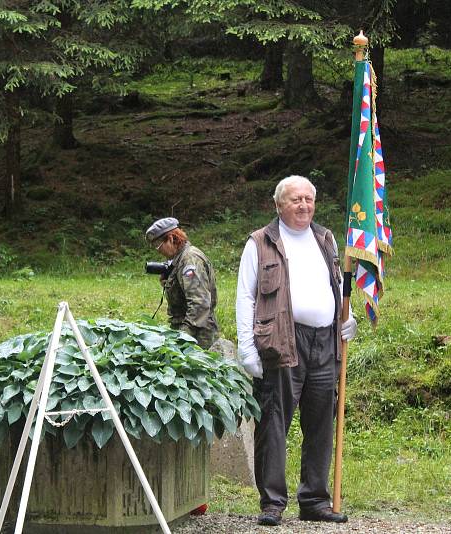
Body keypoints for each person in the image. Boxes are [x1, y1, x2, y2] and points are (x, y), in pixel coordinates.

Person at [235, 175, 357, 527]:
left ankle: (315, 500)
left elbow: (336, 286)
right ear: (279, 205)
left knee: (321, 423)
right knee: (273, 421)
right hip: (281, 342)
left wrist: (346, 322)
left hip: (325, 344)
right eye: (295, 200)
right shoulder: (259, 243)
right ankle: (272, 502)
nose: (303, 206)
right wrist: (247, 348)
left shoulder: (326, 239)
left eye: (308, 199)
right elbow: (245, 296)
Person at [145, 217, 219, 350]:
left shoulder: (190, 260)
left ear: (172, 238)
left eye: (158, 244)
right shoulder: (180, 260)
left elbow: (199, 304)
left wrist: (183, 337)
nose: (157, 250)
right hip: (188, 330)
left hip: (198, 336)